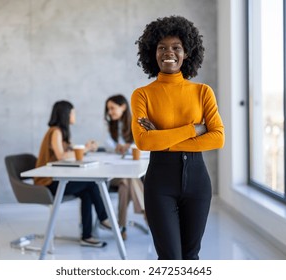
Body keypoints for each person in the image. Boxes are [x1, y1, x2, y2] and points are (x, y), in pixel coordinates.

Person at [131, 16, 224, 259]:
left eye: (176, 48)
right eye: (162, 48)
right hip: (159, 183)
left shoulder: (202, 92)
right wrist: (194, 130)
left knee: (191, 257)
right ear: (153, 53)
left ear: (187, 53)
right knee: (170, 259)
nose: (168, 53)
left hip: (197, 182)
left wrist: (161, 137)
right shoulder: (142, 95)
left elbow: (217, 138)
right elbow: (143, 142)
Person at [35, 100, 111, 248]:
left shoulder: (62, 132)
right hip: (48, 183)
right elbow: (61, 156)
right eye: (73, 112)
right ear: (66, 114)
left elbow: (69, 154)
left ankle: (87, 236)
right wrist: (86, 149)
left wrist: (85, 149)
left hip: (55, 179)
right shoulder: (55, 131)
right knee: (90, 184)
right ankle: (104, 218)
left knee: (87, 191)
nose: (75, 115)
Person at [104, 94, 145, 240]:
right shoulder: (111, 126)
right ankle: (146, 210)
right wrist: (117, 148)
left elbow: (145, 146)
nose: (110, 112)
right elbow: (107, 146)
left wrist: (129, 146)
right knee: (127, 179)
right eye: (108, 109)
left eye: (112, 108)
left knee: (125, 185)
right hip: (113, 173)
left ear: (123, 107)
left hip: (127, 173)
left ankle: (121, 227)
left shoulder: (136, 123)